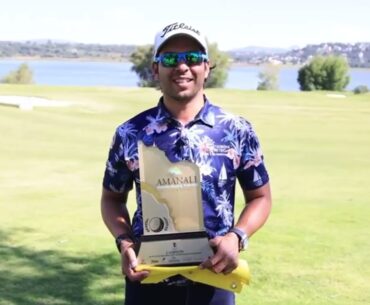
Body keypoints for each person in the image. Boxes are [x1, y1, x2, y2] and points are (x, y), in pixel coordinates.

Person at [101, 21, 272, 305]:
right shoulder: (129, 133)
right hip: (148, 280)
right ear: (155, 68)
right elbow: (112, 199)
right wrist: (125, 242)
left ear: (207, 67)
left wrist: (237, 237)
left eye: (192, 58)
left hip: (214, 280)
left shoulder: (237, 130)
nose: (182, 66)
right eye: (170, 58)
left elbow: (261, 198)